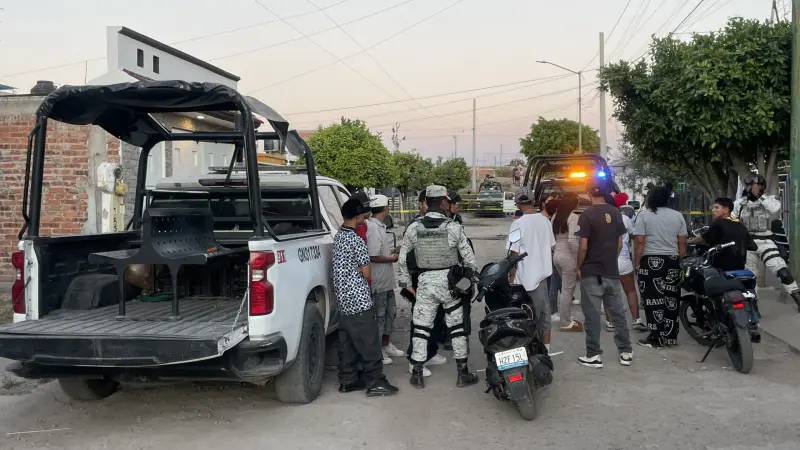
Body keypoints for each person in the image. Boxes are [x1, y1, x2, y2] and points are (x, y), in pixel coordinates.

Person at [399, 185, 479, 389]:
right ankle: (463, 374)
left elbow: (402, 260)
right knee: (457, 329)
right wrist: (466, 284)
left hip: (425, 283)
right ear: (444, 202)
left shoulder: (414, 227)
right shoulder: (453, 227)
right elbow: (470, 261)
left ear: (426, 201)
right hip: (449, 284)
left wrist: (408, 285)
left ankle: (417, 374)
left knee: (421, 328)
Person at [332, 197, 398, 396]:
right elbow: (367, 272)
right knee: (369, 342)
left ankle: (348, 380)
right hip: (359, 299)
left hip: (343, 299)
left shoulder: (339, 237)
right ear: (358, 215)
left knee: (348, 342)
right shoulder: (356, 240)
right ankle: (376, 381)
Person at [575, 176, 633, 368]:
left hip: (592, 271)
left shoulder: (587, 215)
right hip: (611, 271)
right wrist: (611, 259)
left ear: (589, 192)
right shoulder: (616, 213)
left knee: (592, 315)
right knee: (617, 313)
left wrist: (578, 266)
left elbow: (583, 246)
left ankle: (593, 355)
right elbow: (618, 243)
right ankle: (626, 352)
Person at [732, 173, 800, 311]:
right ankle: (753, 309)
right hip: (748, 244)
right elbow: (733, 220)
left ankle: (797, 298)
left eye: (755, 185)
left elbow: (775, 209)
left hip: (766, 242)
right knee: (750, 279)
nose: (752, 188)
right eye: (750, 185)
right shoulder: (739, 203)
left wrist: (760, 196)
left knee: (782, 271)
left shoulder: (770, 200)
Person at [399, 189, 447, 378]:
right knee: (421, 321)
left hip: (440, 281)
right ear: (423, 203)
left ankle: (430, 352)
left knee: (436, 319)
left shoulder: (442, 224)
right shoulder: (415, 226)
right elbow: (407, 257)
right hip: (421, 280)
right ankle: (415, 359)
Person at [633, 186, 688, 348]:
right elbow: (682, 241)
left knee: (652, 299)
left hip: (650, 261)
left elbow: (640, 241)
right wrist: (680, 259)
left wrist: (637, 262)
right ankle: (671, 336)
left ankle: (656, 337)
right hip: (672, 260)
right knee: (672, 298)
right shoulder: (677, 216)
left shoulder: (644, 216)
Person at [506, 187, 556, 353]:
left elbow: (513, 253)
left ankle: (527, 350)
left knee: (525, 318)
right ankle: (546, 352)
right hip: (542, 278)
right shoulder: (545, 221)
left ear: (518, 203)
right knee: (544, 318)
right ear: (534, 201)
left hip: (524, 280)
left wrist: (510, 276)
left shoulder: (517, 224)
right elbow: (551, 246)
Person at [366, 194, 405, 365]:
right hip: (379, 281)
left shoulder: (380, 226)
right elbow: (373, 255)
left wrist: (393, 251)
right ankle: (377, 350)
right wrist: (391, 259)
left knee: (390, 314)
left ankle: (386, 344)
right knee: (379, 316)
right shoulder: (373, 228)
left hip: (386, 281)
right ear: (384, 209)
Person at [614, 193, 646, 332]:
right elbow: (633, 234)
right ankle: (636, 320)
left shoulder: (598, 218)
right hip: (623, 260)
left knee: (608, 292)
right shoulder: (625, 218)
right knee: (631, 290)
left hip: (606, 261)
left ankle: (610, 322)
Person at [552, 193, 583, 332]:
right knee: (567, 290)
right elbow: (572, 240)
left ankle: (566, 318)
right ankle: (565, 322)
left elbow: (551, 238)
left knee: (565, 288)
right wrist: (577, 259)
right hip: (567, 256)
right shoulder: (573, 217)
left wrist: (555, 250)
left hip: (556, 254)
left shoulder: (555, 216)